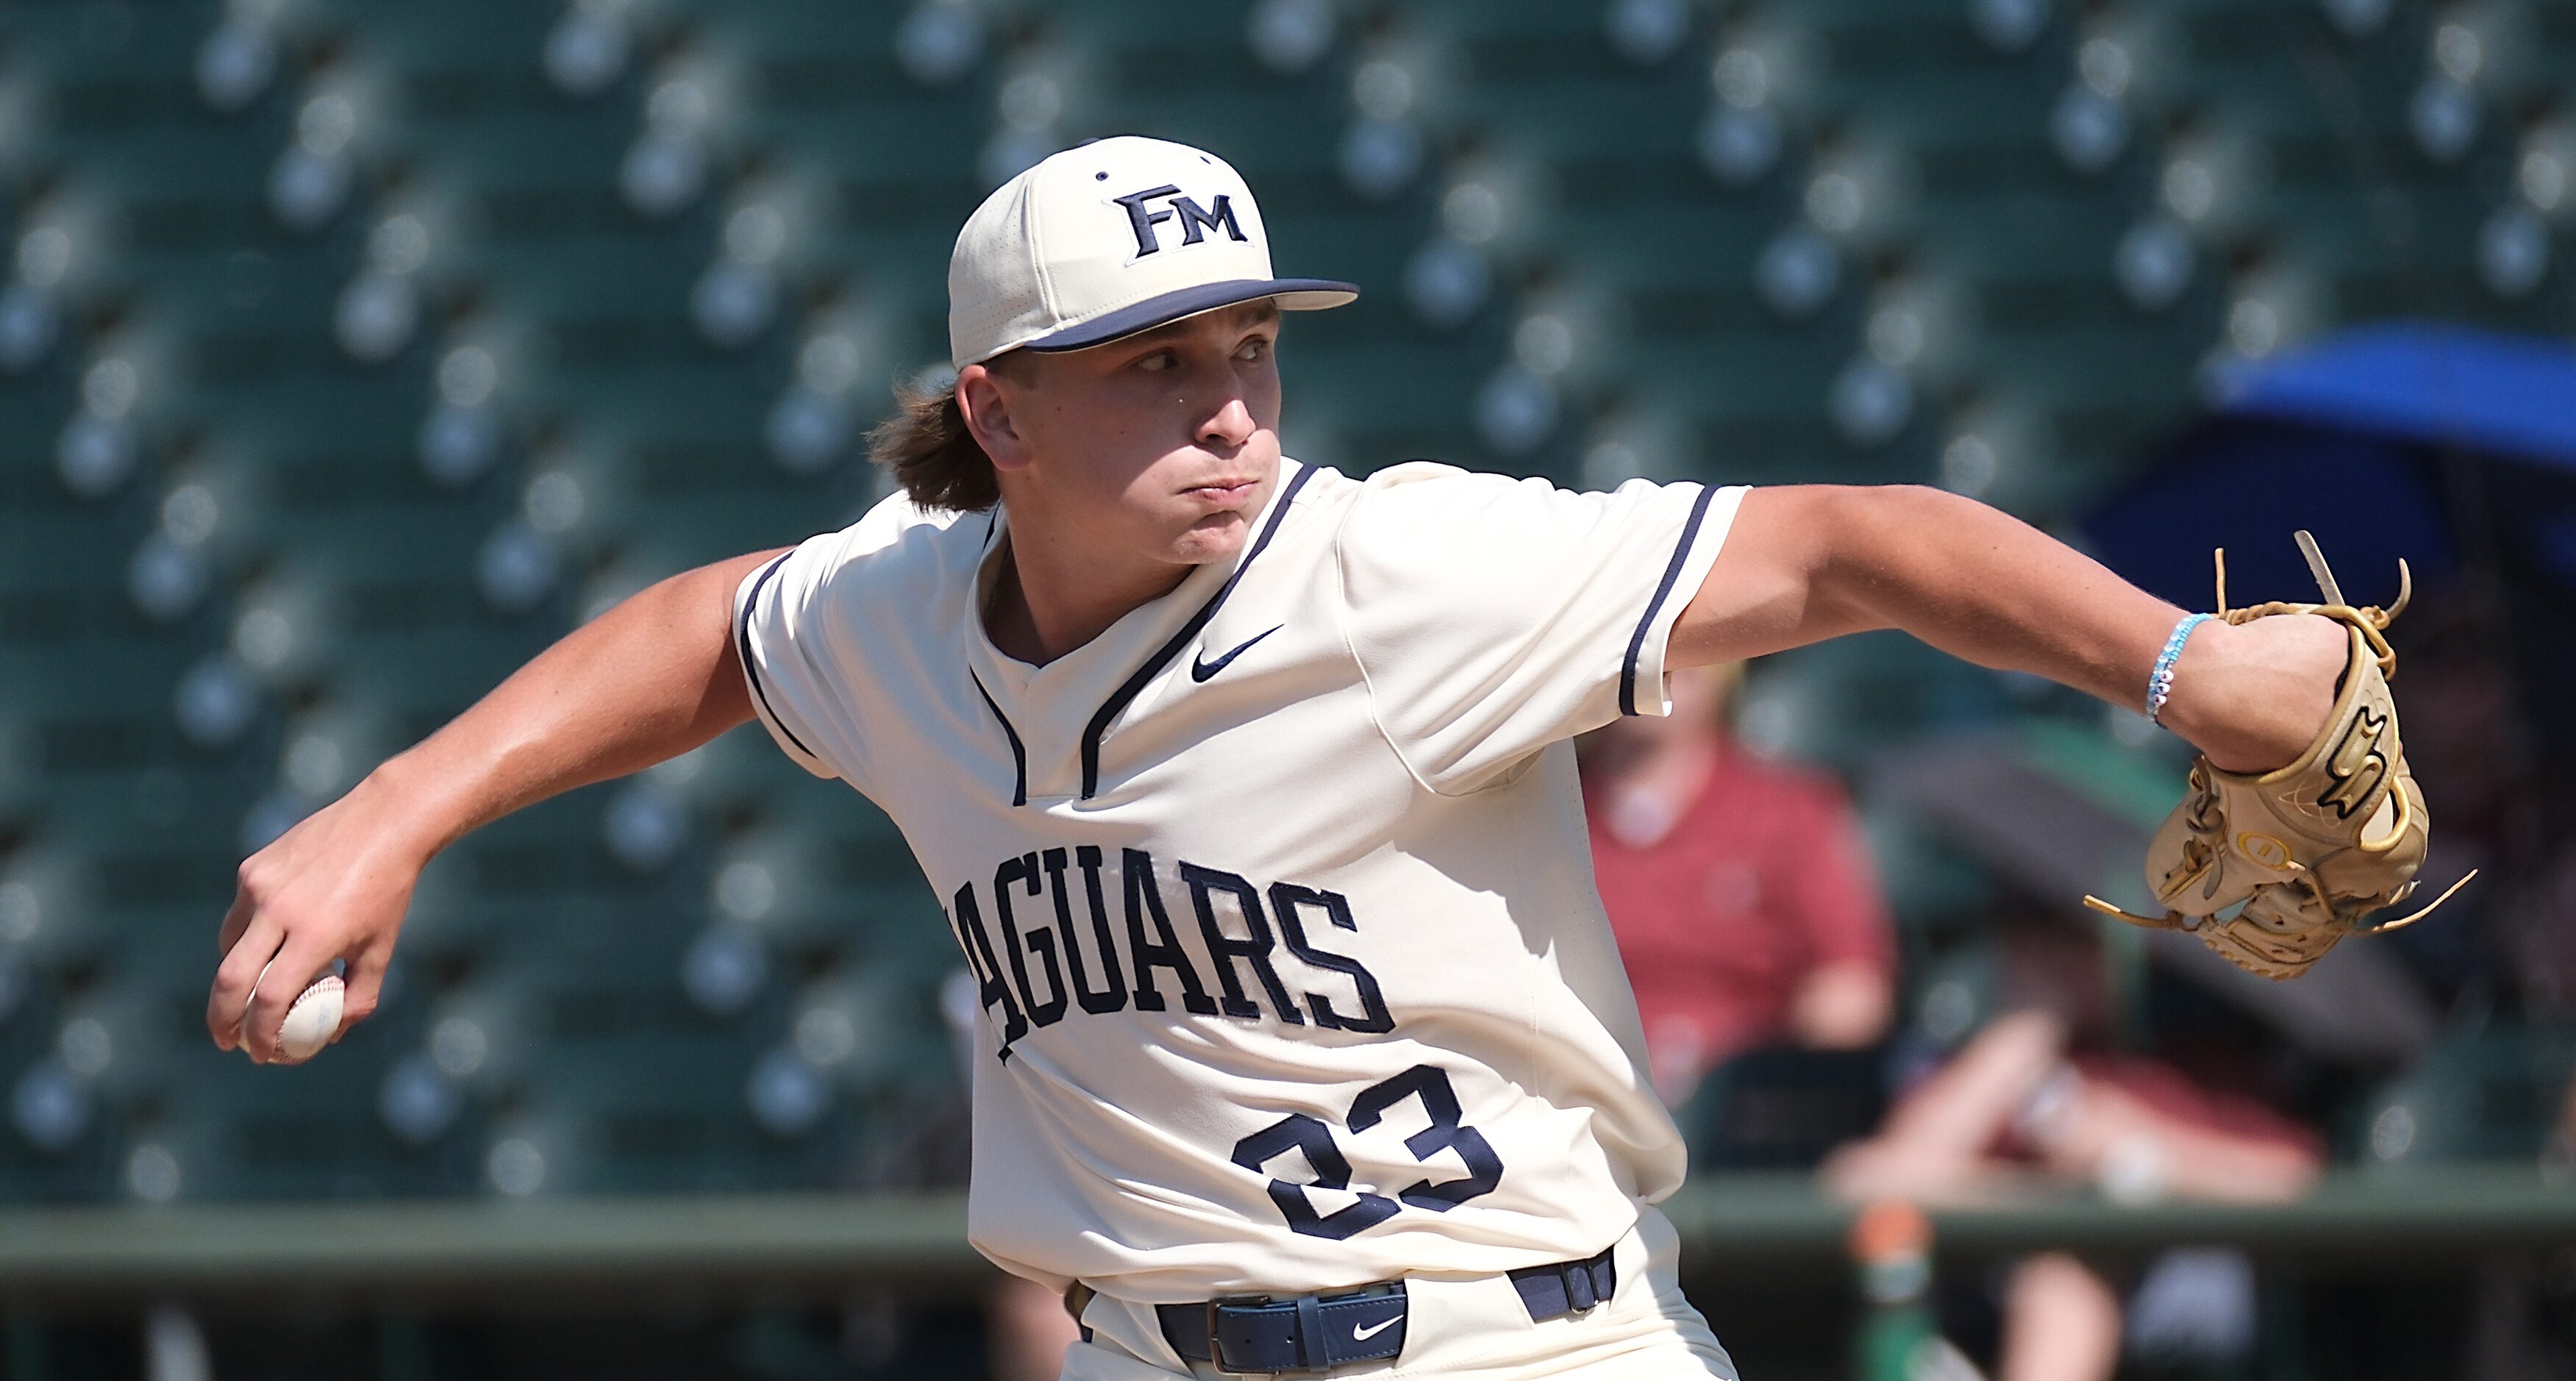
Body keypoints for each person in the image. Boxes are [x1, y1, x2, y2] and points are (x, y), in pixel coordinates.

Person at [205, 137, 2361, 1380]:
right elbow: (703, 632)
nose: (1233, 404)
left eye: (1247, 351)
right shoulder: (900, 619)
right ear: (1001, 415)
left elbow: (1842, 544)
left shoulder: (1396, 575)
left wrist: (2178, 663)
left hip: (1518, 1344)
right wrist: (395, 811)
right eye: (1158, 367)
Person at [1580, 662, 1894, 1110]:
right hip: (1584, 1092)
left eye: (1682, 654)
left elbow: (1853, 992)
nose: (1662, 665)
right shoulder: (1545, 815)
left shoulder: (1787, 808)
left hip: (1741, 1109)